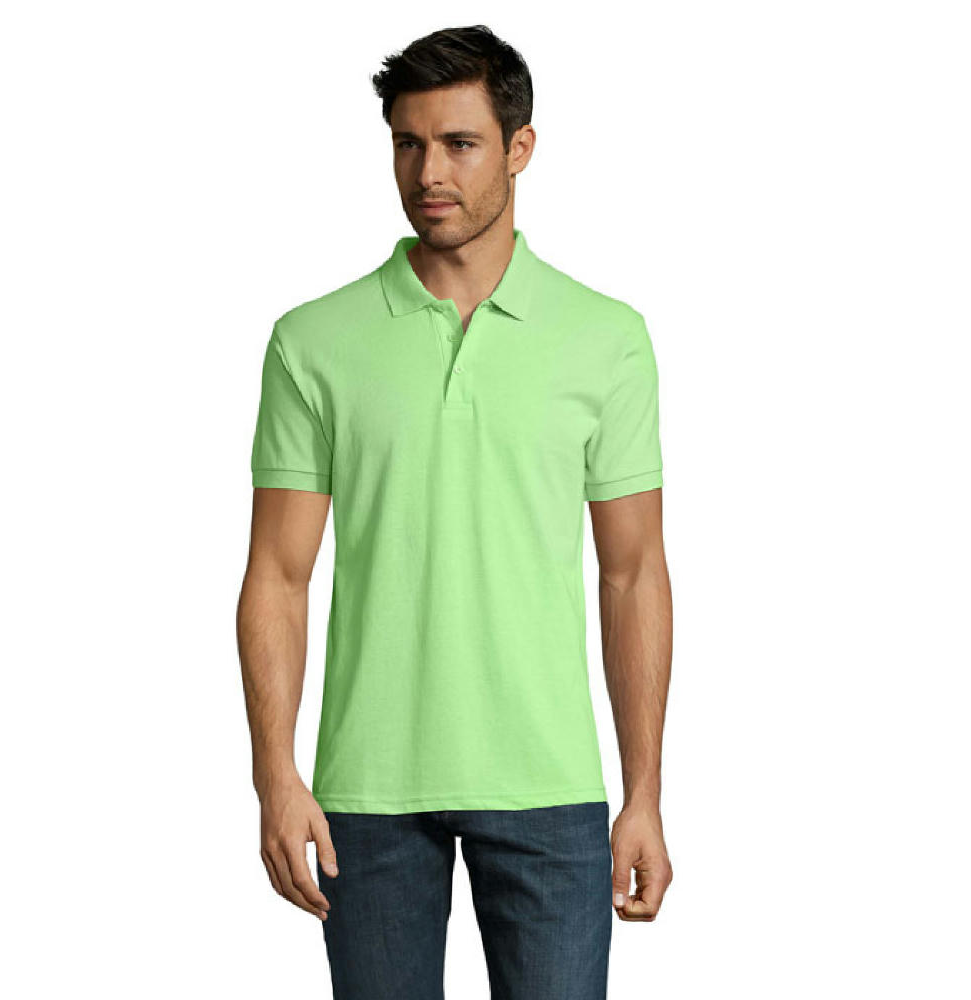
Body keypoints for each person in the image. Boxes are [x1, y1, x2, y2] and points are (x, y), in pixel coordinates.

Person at [236, 24, 674, 1000]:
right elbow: (278, 573)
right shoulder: (314, 341)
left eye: (459, 143)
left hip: (550, 784)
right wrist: (275, 774)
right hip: (367, 791)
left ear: (520, 148)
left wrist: (643, 791)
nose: (428, 171)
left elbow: (632, 571)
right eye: (408, 143)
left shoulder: (605, 339)